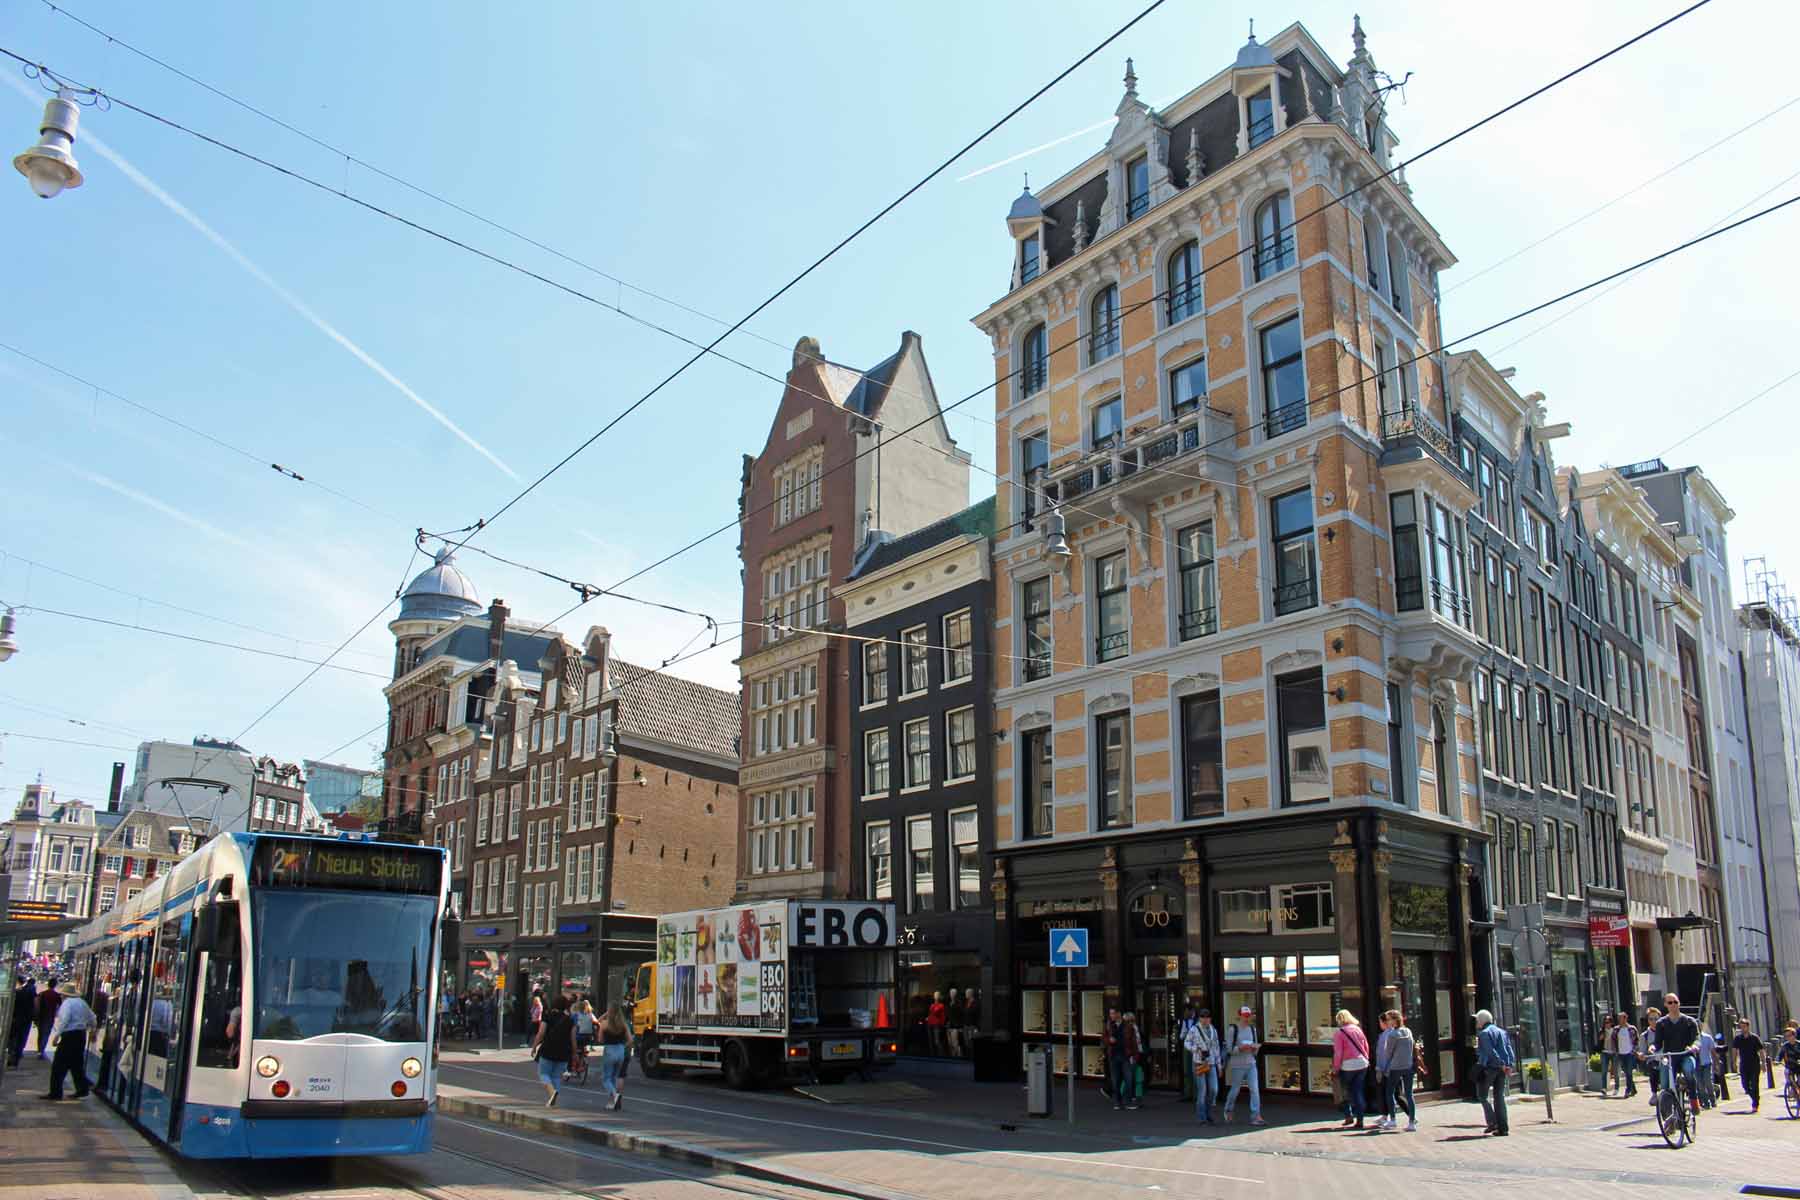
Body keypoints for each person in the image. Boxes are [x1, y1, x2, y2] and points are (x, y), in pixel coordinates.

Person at [1649, 993, 1701, 1113]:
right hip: (1670, 1057)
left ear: (1679, 1003)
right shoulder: (1661, 1023)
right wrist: (1652, 1048)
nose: (1673, 1005)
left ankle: (1694, 1100)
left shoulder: (1690, 1021)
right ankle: (1668, 1116)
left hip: (1685, 1055)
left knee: (1688, 1070)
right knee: (1665, 1083)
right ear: (1666, 1005)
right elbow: (1657, 1043)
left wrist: (1693, 1047)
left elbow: (1697, 1039)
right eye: (1670, 1002)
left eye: (1675, 1002)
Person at [43, 989, 96, 1102]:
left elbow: (65, 1020)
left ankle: (55, 1092)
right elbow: (92, 1017)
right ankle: (82, 1089)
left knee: (59, 1064)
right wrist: (93, 1030)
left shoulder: (67, 1004)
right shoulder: (82, 1003)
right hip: (81, 1035)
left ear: (65, 995)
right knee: (76, 1063)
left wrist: (57, 1035)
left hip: (69, 1036)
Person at [1221, 1004, 1265, 1125]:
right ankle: (1228, 1110)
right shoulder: (1233, 1029)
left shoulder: (1252, 1029)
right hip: (1237, 1064)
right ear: (1239, 1016)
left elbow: (1255, 1049)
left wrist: (1254, 1048)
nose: (1247, 1018)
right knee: (1235, 1089)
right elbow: (1229, 1049)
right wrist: (1240, 1048)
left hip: (1250, 1063)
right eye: (1244, 1016)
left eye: (1248, 1016)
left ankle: (1256, 1115)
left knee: (1254, 1089)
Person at [1375, 1010, 1417, 1132]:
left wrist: (1383, 1069)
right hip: (1408, 1066)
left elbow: (1388, 1053)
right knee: (1409, 1094)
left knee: (1390, 1092)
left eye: (1388, 1019)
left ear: (1394, 1020)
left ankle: (1392, 1120)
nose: (1387, 1022)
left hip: (1395, 1067)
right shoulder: (1408, 1031)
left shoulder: (1392, 1034)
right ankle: (1411, 1122)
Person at [1473, 1009, 1515, 1136]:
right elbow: (1509, 1049)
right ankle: (1503, 1128)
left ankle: (1492, 1122)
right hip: (1502, 1069)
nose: (1476, 1023)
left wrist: (1501, 1064)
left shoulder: (1484, 1034)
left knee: (1482, 1095)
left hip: (1490, 1068)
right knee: (1499, 1097)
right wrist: (1509, 1065)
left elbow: (1490, 1051)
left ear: (1481, 1021)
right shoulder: (1502, 1032)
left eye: (1477, 1020)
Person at [531, 995, 576, 1107]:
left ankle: (552, 1093)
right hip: (564, 1051)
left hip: (548, 1049)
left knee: (544, 1073)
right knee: (556, 1076)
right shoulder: (570, 1020)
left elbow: (541, 1033)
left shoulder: (548, 1016)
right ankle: (553, 1098)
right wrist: (574, 1053)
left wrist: (534, 1046)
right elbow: (573, 1038)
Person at [1332, 1009, 1372, 1129]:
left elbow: (1338, 1053)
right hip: (1362, 1063)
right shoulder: (1357, 1029)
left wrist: (1336, 1068)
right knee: (1358, 1091)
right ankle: (1360, 1119)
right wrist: (1366, 1058)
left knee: (1345, 1092)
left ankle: (1348, 1116)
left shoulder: (1339, 1033)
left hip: (1347, 1065)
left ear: (1339, 1019)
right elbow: (1366, 1046)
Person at [1182, 1008, 1222, 1123]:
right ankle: (1202, 1117)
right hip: (1199, 1063)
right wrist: (1195, 1049)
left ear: (1210, 1019)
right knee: (1202, 1090)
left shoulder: (1213, 1030)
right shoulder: (1194, 1029)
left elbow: (1216, 1048)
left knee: (1214, 1089)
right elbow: (1186, 1042)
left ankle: (1208, 1112)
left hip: (1211, 1062)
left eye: (1207, 1017)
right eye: (1203, 1017)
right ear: (1199, 1018)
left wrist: (1219, 1065)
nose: (1205, 1019)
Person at [597, 1004, 632, 1111]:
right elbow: (630, 1040)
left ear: (609, 1012)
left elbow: (600, 1040)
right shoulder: (623, 1024)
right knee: (615, 1076)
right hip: (620, 1050)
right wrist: (622, 1046)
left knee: (606, 1078)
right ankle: (611, 1102)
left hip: (609, 1050)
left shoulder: (605, 1024)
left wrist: (606, 1014)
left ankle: (614, 1095)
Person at [1731, 1019, 1764, 1113]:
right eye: (1740, 1027)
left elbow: (1761, 1051)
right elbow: (1734, 1050)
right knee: (1745, 1085)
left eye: (1744, 1026)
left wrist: (1763, 1063)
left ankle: (1755, 1104)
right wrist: (1734, 1062)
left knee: (1754, 1084)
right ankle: (1755, 1097)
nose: (1742, 1028)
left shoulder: (1754, 1037)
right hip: (1744, 1064)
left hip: (1754, 1064)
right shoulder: (1738, 1038)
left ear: (1748, 1026)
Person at [6, 976, 34, 1069]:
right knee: (19, 1040)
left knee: (13, 1041)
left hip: (16, 1020)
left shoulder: (18, 993)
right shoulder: (29, 991)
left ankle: (12, 1060)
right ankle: (15, 1060)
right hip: (25, 1020)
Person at [34, 979, 63, 1061]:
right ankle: (41, 1051)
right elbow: (61, 1005)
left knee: (40, 1034)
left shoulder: (42, 994)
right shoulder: (57, 995)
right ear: (55, 985)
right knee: (46, 1034)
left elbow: (37, 1005)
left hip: (41, 1017)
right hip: (50, 1017)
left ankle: (39, 1050)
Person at [1176, 1005, 1200, 1104]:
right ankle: (1188, 1093)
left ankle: (1196, 1094)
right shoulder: (1184, 1021)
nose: (1185, 1014)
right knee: (1187, 1071)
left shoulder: (1199, 1021)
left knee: (1196, 1071)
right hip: (1187, 1047)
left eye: (1186, 1011)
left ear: (1192, 1011)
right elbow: (1182, 1035)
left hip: (1196, 1047)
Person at [1612, 1014, 1638, 1098]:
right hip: (1621, 1053)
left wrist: (1634, 1051)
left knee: (1629, 1071)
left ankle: (1628, 1090)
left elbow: (1636, 1040)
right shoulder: (1616, 1029)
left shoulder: (1631, 1029)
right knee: (1626, 1072)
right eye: (1618, 1018)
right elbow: (1613, 1040)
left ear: (1625, 1018)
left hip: (1629, 1053)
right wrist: (1616, 1051)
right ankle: (1633, 1089)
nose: (1619, 1020)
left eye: (1621, 1018)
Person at [1695, 1025, 1717, 1108]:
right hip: (1696, 1065)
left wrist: (1716, 1064)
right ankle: (1705, 1103)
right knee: (1700, 1085)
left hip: (1706, 1063)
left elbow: (1713, 1051)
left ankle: (1712, 1100)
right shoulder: (1691, 1039)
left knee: (1708, 1082)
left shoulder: (1707, 1038)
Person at [926, 991, 949, 1058]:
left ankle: (941, 1055)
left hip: (937, 1025)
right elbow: (931, 1013)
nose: (935, 996)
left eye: (937, 995)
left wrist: (942, 1023)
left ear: (939, 996)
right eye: (935, 995)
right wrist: (928, 1018)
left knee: (937, 1041)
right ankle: (932, 1055)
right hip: (930, 1024)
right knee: (931, 1041)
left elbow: (939, 1014)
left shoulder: (941, 1005)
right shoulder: (932, 1005)